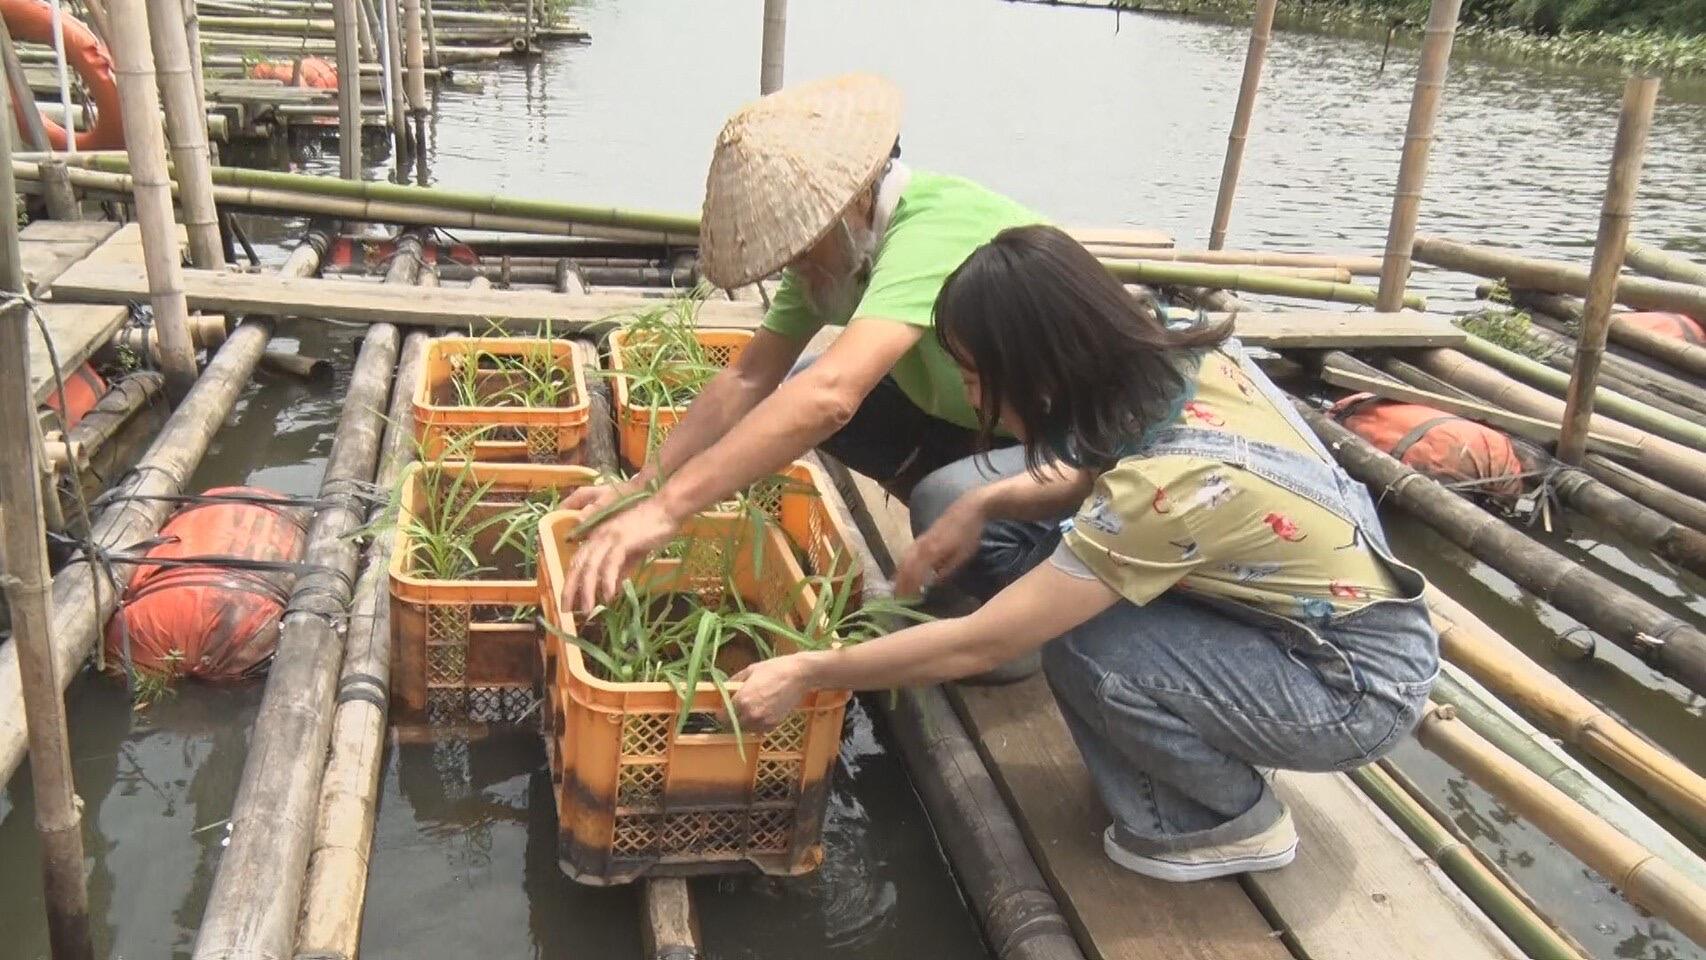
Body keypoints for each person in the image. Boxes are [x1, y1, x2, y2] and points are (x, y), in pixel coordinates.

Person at [729, 225, 1440, 882]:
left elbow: (983, 643)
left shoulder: (1170, 489)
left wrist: (810, 670)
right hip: (1290, 621)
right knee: (976, 507)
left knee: (1085, 641)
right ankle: (1187, 713)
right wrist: (986, 503)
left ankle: (1222, 819)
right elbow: (1099, 467)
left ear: (1040, 367)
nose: (973, 396)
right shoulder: (1177, 355)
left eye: (976, 379)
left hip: (1349, 685)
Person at [558, 73, 1048, 647]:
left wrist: (667, 512)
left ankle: (1025, 616)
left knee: (940, 490)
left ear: (851, 203)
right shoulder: (834, 252)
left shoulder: (932, 229)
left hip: (1068, 439)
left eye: (800, 248)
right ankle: (962, 547)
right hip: (974, 419)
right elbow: (748, 377)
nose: (793, 268)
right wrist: (644, 485)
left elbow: (835, 396)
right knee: (796, 383)